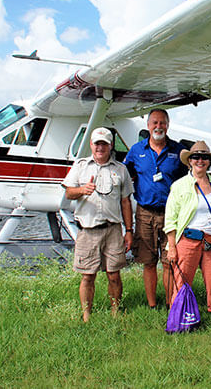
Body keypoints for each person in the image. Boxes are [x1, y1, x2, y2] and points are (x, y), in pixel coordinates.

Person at [62, 127, 134, 322]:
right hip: (88, 230)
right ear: (91, 145)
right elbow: (68, 193)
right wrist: (81, 190)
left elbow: (125, 201)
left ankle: (115, 311)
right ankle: (86, 314)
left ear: (111, 145)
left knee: (114, 275)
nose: (100, 147)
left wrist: (129, 231)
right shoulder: (81, 166)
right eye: (97, 143)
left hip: (112, 230)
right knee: (87, 276)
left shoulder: (121, 169)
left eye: (104, 143)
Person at [164, 141, 211, 326]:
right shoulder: (180, 185)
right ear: (189, 161)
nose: (200, 160)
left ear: (209, 161)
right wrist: (172, 246)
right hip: (189, 239)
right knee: (182, 281)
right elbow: (170, 219)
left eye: (204, 157)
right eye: (196, 157)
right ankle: (178, 318)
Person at [124, 109, 187, 308]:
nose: (158, 126)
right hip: (144, 213)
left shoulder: (177, 150)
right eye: (154, 123)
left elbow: (190, 177)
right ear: (148, 125)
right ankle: (152, 305)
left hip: (171, 214)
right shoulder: (136, 150)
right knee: (148, 261)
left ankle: (170, 304)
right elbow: (125, 175)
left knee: (169, 261)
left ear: (167, 125)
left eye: (162, 123)